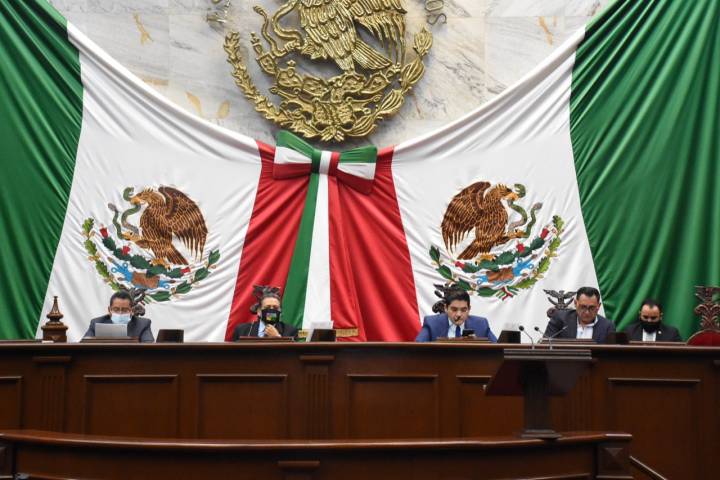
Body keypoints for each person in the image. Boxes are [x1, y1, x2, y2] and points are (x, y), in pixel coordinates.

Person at [416, 289, 497, 342]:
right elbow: (417, 348)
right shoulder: (432, 323)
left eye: (463, 310)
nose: (459, 314)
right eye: (454, 309)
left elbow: (498, 349)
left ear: (469, 309)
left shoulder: (481, 324)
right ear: (446, 308)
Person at [544, 286, 615, 343]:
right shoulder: (560, 319)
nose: (587, 312)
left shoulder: (607, 327)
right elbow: (546, 345)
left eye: (591, 308)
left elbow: (611, 353)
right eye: (583, 307)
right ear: (575, 303)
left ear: (598, 306)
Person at [84, 290, 154, 342]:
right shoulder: (96, 323)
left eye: (125, 310)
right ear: (109, 310)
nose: (120, 313)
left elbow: (149, 348)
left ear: (132, 311)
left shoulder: (143, 324)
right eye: (116, 309)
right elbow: (83, 347)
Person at [232, 285, 298, 340]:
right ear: (259, 311)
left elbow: (292, 351)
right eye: (267, 307)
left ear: (280, 311)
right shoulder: (242, 330)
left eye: (275, 308)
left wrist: (277, 338)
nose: (271, 310)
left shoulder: (291, 331)